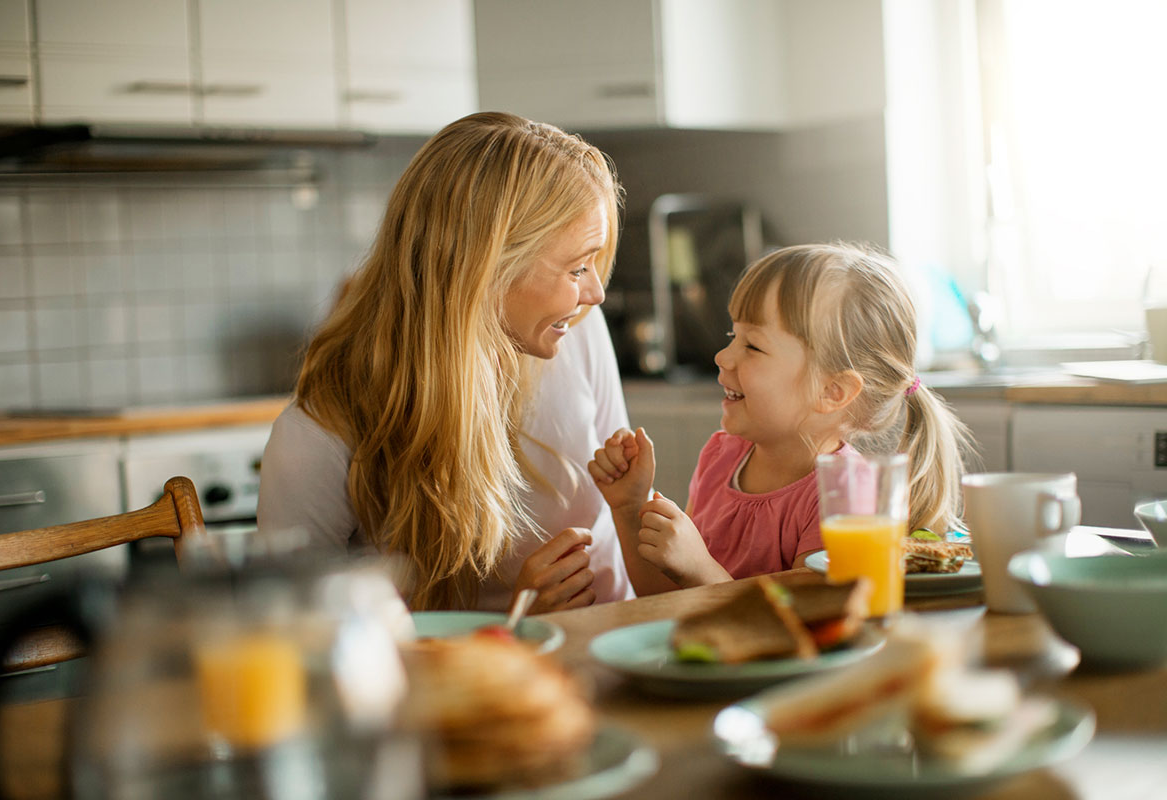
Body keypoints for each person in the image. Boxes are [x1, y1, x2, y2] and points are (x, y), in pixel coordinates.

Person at [257, 111, 634, 613]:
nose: (596, 292)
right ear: (488, 266)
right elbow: (303, 644)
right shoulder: (318, 435)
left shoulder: (578, 333)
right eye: (577, 267)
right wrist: (514, 622)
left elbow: (623, 507)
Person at [588, 242, 971, 595]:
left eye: (752, 345)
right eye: (732, 335)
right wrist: (627, 508)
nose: (723, 357)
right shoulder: (721, 456)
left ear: (832, 392)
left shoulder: (844, 496)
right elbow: (664, 602)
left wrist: (701, 569)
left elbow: (808, 628)